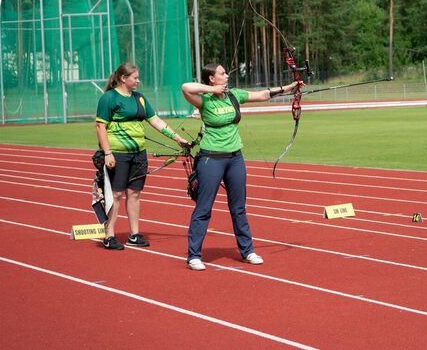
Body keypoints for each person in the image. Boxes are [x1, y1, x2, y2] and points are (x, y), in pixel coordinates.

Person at [181, 63, 299, 270]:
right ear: (211, 78)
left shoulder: (234, 95)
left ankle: (247, 251)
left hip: (235, 158)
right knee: (204, 208)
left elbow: (262, 95)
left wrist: (290, 87)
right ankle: (194, 255)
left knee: (239, 208)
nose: (226, 75)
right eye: (222, 73)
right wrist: (213, 90)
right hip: (211, 159)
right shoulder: (204, 100)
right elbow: (185, 87)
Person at [96, 62, 189, 250]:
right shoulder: (109, 98)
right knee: (116, 194)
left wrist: (177, 138)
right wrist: (107, 153)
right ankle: (109, 235)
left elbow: (155, 120)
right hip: (118, 153)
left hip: (139, 153)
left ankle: (134, 234)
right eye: (135, 77)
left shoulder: (139, 98)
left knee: (135, 193)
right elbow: (100, 126)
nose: (138, 81)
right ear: (124, 78)